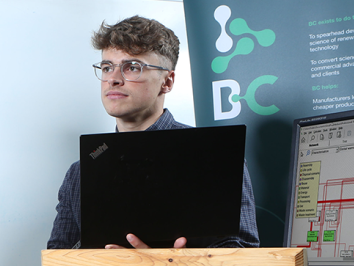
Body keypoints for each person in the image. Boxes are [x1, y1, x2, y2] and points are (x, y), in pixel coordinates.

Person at [46, 15, 259, 250]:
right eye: (107, 67)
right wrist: (102, 259)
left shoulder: (217, 159)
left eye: (132, 67)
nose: (113, 79)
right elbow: (57, 262)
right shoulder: (79, 173)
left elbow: (244, 253)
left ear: (167, 82)